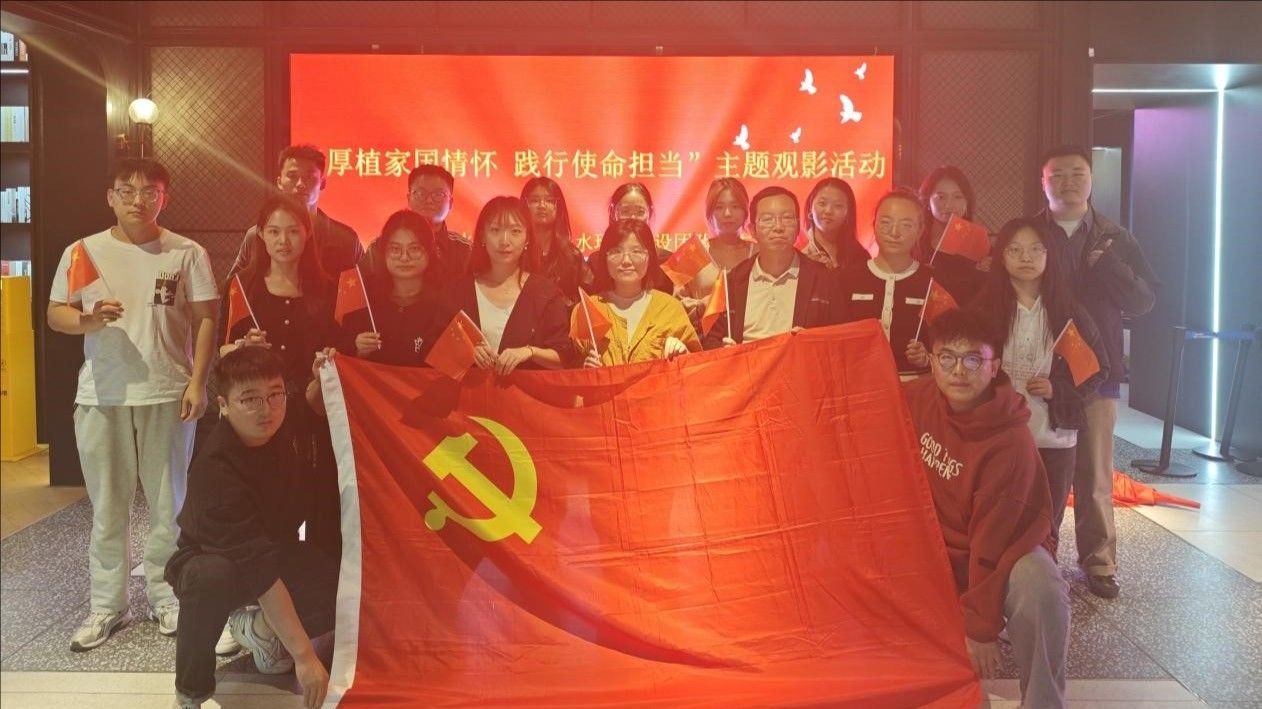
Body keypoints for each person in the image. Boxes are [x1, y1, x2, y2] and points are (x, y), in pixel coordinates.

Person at [47, 158, 219, 650]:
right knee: (108, 506)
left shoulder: (186, 252)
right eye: (127, 191)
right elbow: (56, 313)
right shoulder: (83, 251)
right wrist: (88, 320)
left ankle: (168, 598)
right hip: (102, 394)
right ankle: (108, 605)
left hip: (167, 391)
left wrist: (199, 382)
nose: (138, 200)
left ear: (165, 197)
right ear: (111, 197)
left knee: (169, 506)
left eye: (149, 191)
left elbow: (207, 318)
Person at [902, 308, 1068, 709]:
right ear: (932, 361)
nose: (959, 371)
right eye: (947, 357)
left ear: (995, 367)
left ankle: (1043, 702)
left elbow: (992, 545)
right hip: (934, 548)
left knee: (1039, 587)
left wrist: (980, 628)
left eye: (973, 359)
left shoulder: (1009, 445)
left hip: (1003, 551)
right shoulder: (920, 397)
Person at [166, 347, 340, 709]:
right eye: (250, 399)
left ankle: (259, 630)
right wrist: (305, 657)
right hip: (216, 559)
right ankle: (190, 692)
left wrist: (326, 370)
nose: (267, 409)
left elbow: (312, 403)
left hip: (275, 548)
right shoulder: (216, 470)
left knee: (338, 580)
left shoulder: (283, 422)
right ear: (223, 405)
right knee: (208, 579)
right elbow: (258, 568)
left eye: (275, 394)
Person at [1035, 145, 1157, 599]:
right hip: (1041, 369)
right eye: (1057, 175)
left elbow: (1144, 301)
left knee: (1094, 474)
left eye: (1077, 173)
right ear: (1043, 183)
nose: (1067, 182)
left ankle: (1099, 561)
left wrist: (1111, 268)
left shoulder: (1115, 237)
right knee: (1039, 472)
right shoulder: (1029, 233)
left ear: (1090, 180)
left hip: (1097, 370)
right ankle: (1038, 553)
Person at [973, 217, 1109, 554]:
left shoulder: (1068, 312)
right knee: (997, 518)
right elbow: (964, 364)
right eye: (1015, 250)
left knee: (1047, 520)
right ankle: (997, 577)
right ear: (1001, 256)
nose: (1026, 257)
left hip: (1054, 437)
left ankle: (1044, 577)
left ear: (1050, 256)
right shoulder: (983, 310)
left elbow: (1098, 369)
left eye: (1036, 250)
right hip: (997, 436)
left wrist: (1057, 389)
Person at [700, 186, 840, 349]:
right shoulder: (733, 281)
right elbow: (710, 340)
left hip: (800, 363)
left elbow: (842, 340)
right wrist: (724, 349)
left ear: (797, 227)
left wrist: (813, 341)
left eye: (787, 218)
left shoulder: (823, 279)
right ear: (752, 230)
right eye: (767, 219)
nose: (778, 227)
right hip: (747, 364)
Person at [446, 196, 573, 374]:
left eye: (515, 231)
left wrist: (530, 352)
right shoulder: (458, 291)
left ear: (527, 238)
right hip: (470, 391)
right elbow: (436, 348)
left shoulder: (546, 294)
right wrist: (466, 351)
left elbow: (564, 357)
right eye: (495, 230)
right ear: (482, 235)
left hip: (524, 392)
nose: (504, 241)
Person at [221, 195, 335, 393]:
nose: (283, 241)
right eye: (274, 231)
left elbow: (336, 346)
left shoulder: (327, 288)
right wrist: (244, 347)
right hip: (257, 398)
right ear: (261, 233)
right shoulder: (241, 286)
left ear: (308, 233)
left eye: (293, 231)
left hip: (311, 399)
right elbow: (223, 347)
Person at [838, 188, 953, 379]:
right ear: (874, 225)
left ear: (920, 230)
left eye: (906, 225)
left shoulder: (932, 282)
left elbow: (951, 342)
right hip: (860, 384)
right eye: (886, 222)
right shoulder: (847, 279)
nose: (894, 232)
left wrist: (927, 358)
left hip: (915, 385)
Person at [573, 219, 701, 365]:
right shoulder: (587, 311)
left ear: (650, 257)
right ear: (604, 257)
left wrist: (683, 353)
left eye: (636, 252)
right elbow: (570, 368)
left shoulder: (670, 309)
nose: (626, 261)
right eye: (616, 251)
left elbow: (696, 368)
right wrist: (586, 370)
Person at [339, 210, 456, 367]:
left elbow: (451, 366)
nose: (404, 257)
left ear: (429, 252)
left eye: (414, 249)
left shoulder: (444, 304)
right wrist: (357, 350)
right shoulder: (366, 298)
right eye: (395, 249)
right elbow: (341, 354)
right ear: (384, 252)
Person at [230, 144, 362, 277]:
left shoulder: (345, 239)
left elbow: (364, 287)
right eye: (292, 176)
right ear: (279, 182)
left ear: (322, 183)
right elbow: (234, 286)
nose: (300, 184)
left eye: (309, 177)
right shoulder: (256, 236)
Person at [675, 178, 757, 326]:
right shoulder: (691, 251)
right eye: (719, 207)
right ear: (709, 212)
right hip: (703, 336)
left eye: (735, 206)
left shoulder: (759, 252)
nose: (727, 213)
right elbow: (673, 306)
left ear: (745, 211)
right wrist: (706, 304)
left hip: (752, 335)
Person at [917, 165, 988, 303]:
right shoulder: (915, 240)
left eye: (957, 197)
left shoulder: (979, 243)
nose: (949, 205)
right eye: (941, 197)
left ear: (967, 201)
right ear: (927, 200)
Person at [521, 176, 591, 307]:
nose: (542, 206)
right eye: (535, 200)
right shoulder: (515, 251)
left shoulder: (572, 255)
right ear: (525, 205)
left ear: (559, 207)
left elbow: (590, 296)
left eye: (549, 200)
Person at [607, 182, 673, 294]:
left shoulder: (668, 262)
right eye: (625, 211)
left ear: (650, 213)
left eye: (640, 212)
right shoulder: (597, 261)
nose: (633, 218)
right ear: (614, 213)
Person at [408, 164, 472, 277]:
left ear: (450, 202)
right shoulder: (383, 247)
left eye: (438, 194)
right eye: (421, 194)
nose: (429, 200)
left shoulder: (466, 250)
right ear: (409, 199)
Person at [798, 177, 871, 271]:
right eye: (822, 203)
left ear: (848, 213)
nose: (828, 211)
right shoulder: (798, 251)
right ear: (810, 206)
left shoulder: (860, 256)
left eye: (838, 206)